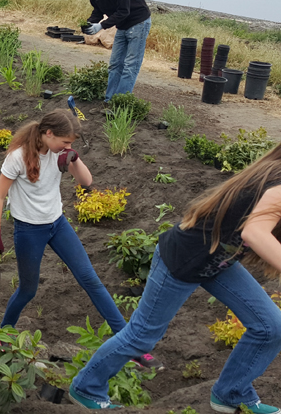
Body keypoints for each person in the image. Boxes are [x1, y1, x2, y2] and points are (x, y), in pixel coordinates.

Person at [70, 144, 281, 412]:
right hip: (182, 260)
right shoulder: (278, 183)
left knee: (270, 326)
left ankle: (232, 394)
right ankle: (86, 388)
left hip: (217, 262)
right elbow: (255, 233)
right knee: (142, 336)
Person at [0, 109, 162, 369]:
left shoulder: (61, 154)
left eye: (71, 144)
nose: (67, 146)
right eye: (65, 142)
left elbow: (87, 182)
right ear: (48, 134)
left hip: (57, 224)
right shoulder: (18, 158)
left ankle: (131, 344)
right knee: (28, 289)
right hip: (29, 230)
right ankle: (5, 332)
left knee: (91, 279)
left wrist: (74, 158)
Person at [78, 0, 152, 103]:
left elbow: (124, 11)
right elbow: (98, 10)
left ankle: (120, 102)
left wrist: (102, 26)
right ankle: (109, 100)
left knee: (130, 65)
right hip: (122, 25)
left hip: (138, 22)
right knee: (115, 63)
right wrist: (90, 23)